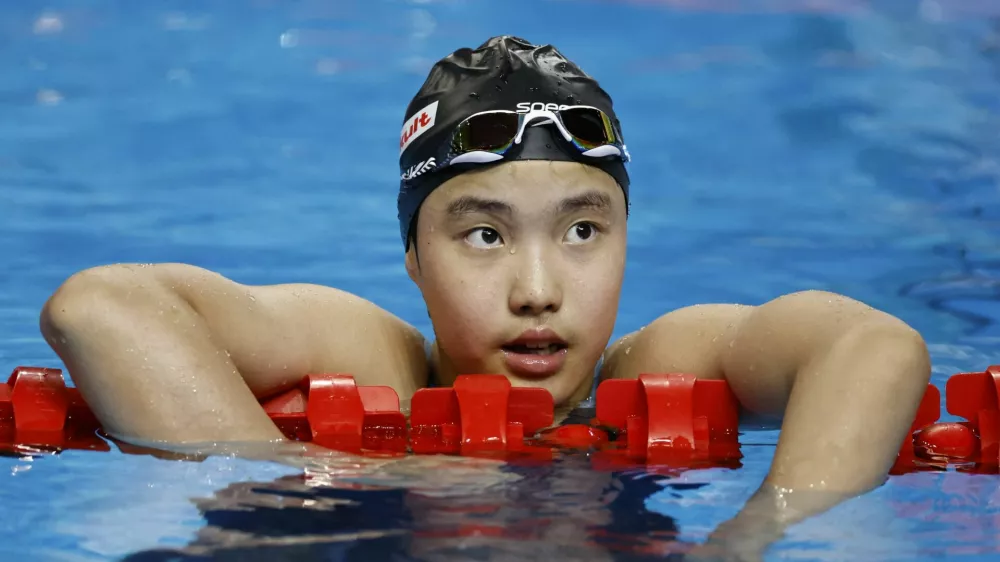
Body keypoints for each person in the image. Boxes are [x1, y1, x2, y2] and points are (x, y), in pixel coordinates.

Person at [39, 36, 930, 559]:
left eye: (584, 231)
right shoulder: (370, 355)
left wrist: (754, 533)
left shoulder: (665, 365)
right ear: (414, 260)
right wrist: (288, 488)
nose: (538, 292)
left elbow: (873, 349)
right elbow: (101, 307)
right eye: (484, 235)